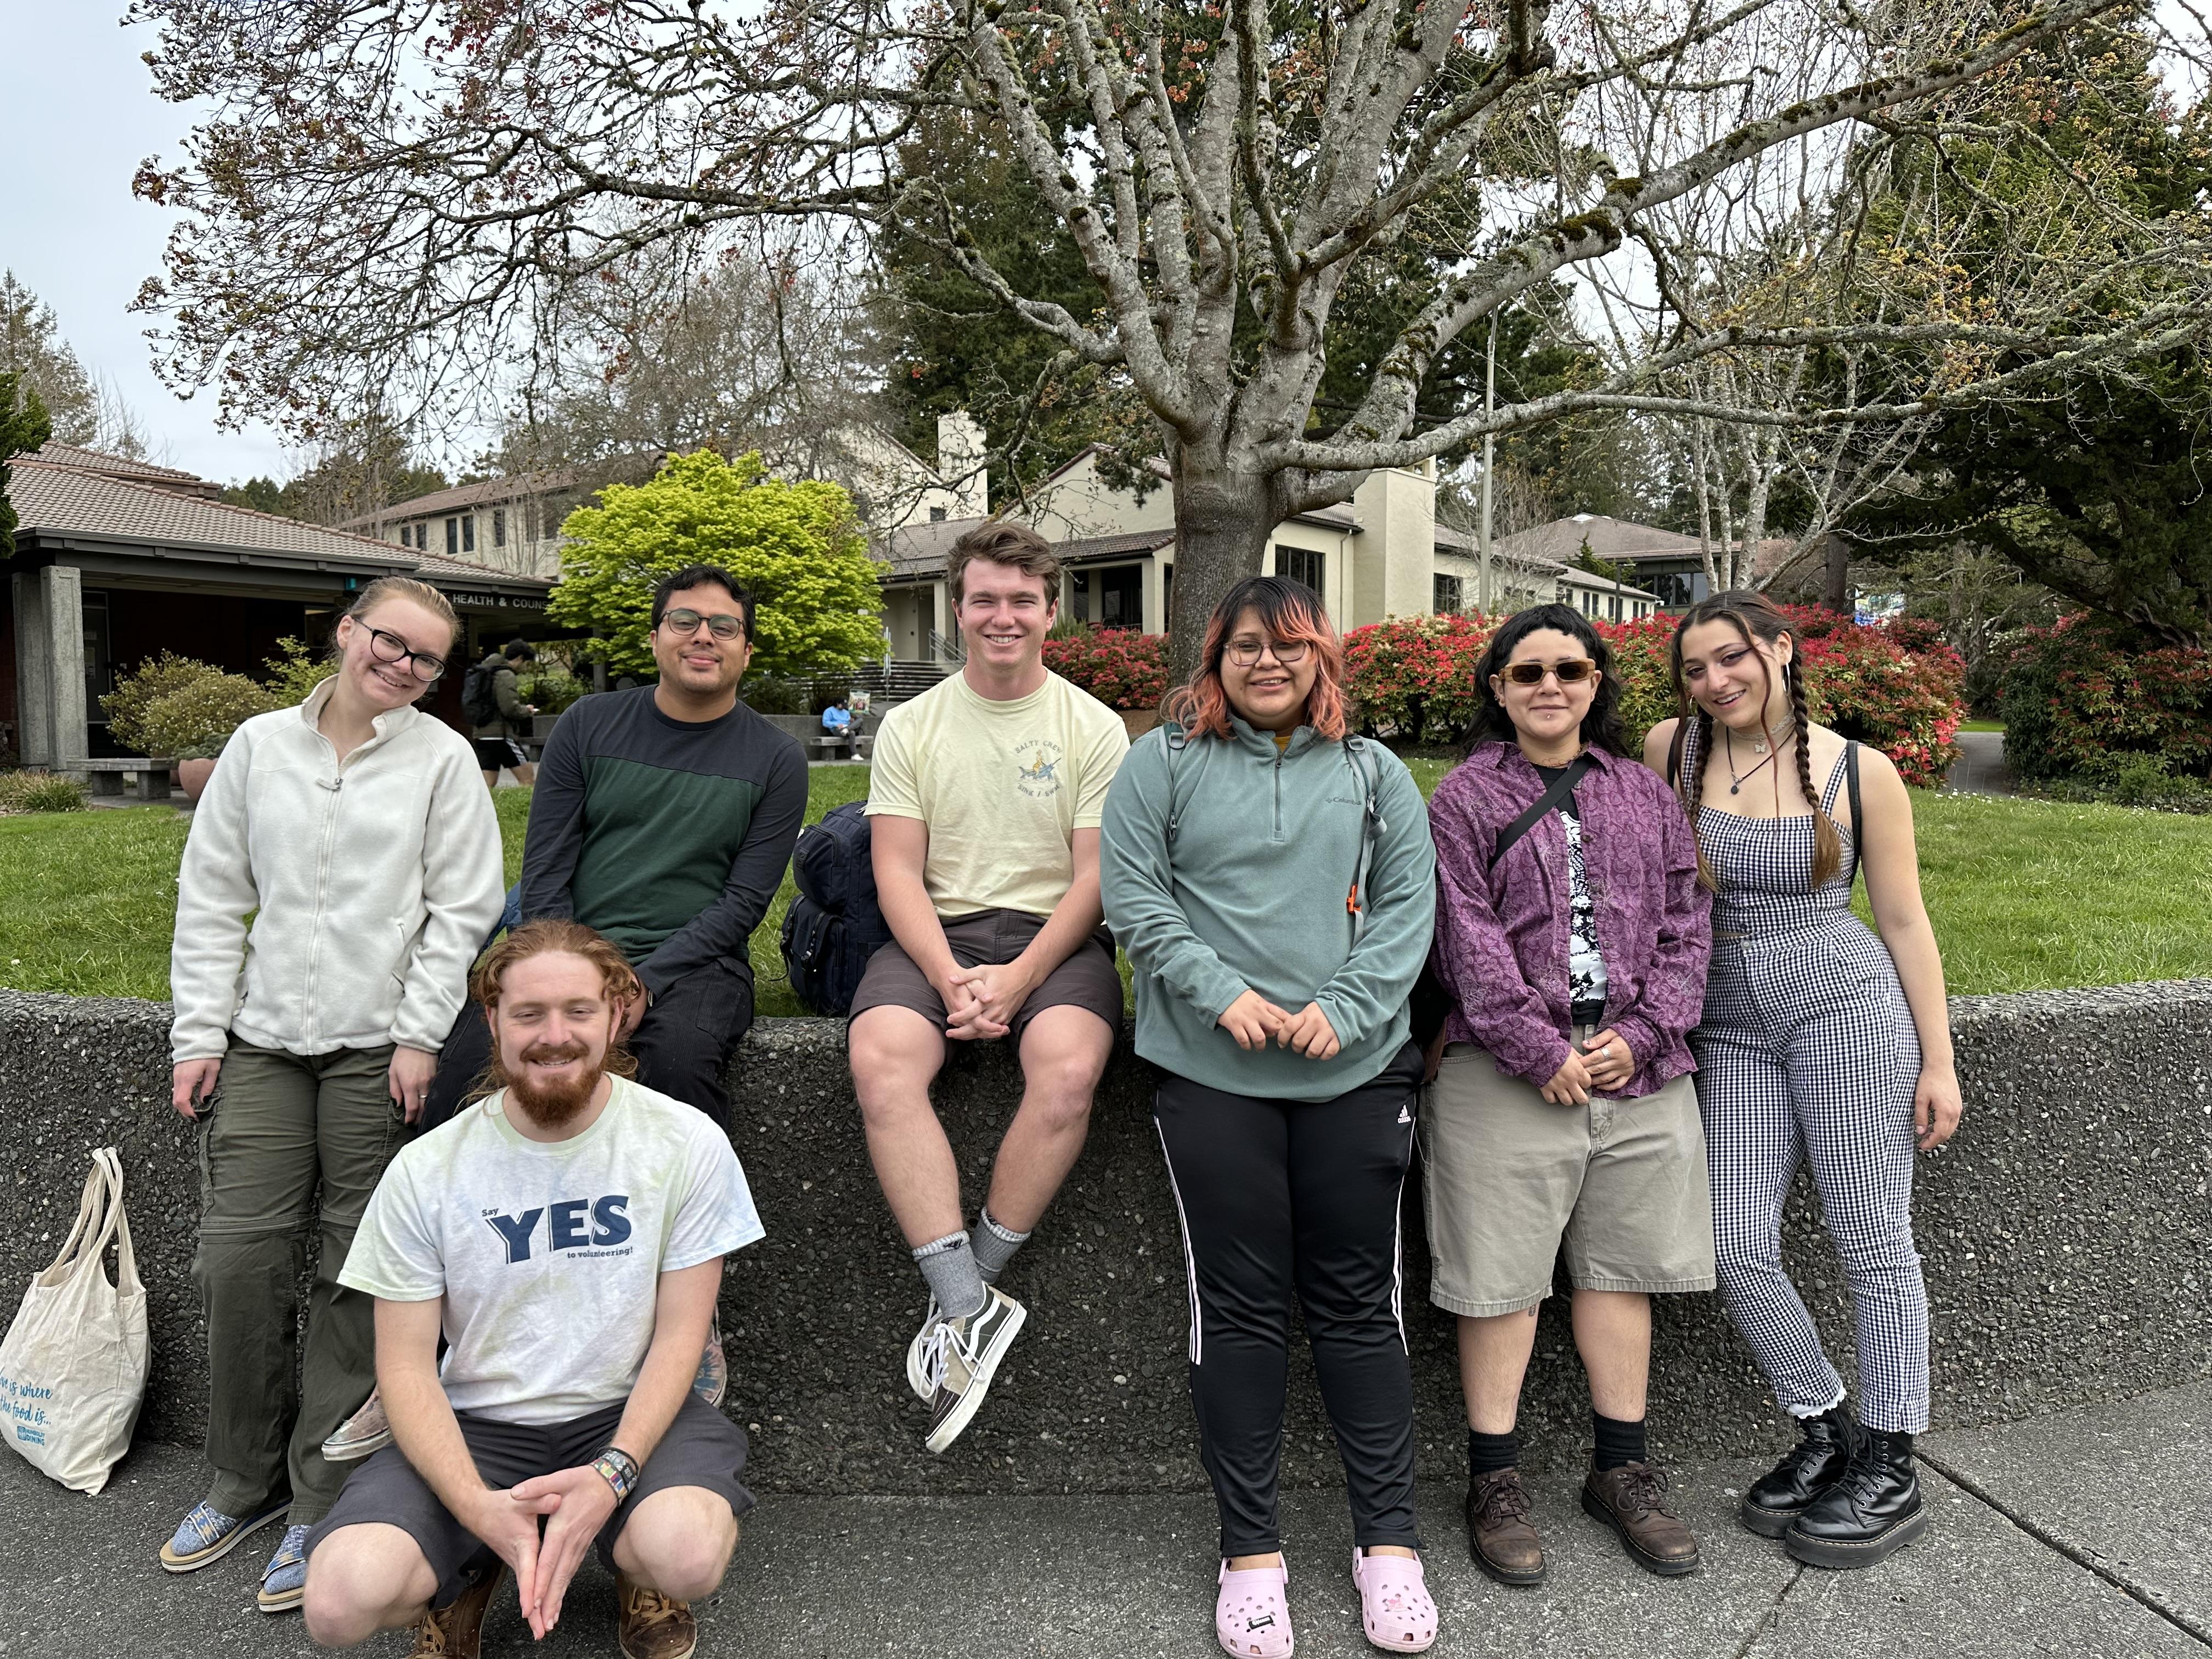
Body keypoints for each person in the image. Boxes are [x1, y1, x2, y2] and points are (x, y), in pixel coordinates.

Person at [1101, 575, 1441, 1657]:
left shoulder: (1376, 774)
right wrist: (1222, 993)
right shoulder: (1162, 765)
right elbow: (1135, 898)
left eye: (1289, 647)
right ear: (1217, 657)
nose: (1267, 664)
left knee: (1358, 1305)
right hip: (1213, 1072)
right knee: (1239, 1311)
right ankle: (1251, 1555)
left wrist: (1344, 1010)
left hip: (1356, 1072)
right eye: (1246, 645)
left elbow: (1406, 910)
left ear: (1321, 660)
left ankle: (1387, 1547)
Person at [162, 576, 504, 1615]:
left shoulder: (443, 760)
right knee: (240, 1257)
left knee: (359, 1272)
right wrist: (197, 1031)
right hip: (263, 1044)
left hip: (376, 1052)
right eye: (389, 642)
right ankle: (240, 1477)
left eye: (425, 660)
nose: (401, 666)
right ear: (347, 631)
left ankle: (323, 1491)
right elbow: (214, 892)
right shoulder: (262, 746)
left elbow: (463, 908)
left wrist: (418, 1034)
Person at [298, 921, 765, 1659]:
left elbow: (683, 1336)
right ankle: (469, 1566)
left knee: (686, 1552)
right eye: (529, 1014)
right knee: (338, 1601)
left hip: (630, 1411)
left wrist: (613, 1475)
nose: (556, 1035)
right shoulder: (427, 1171)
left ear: (616, 1014)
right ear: (493, 1021)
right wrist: (473, 1505)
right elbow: (406, 1368)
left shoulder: (686, 1143)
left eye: (578, 1011)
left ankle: (629, 1558)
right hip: (477, 1426)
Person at [1645, 590, 1962, 1570]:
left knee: (1872, 1236)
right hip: (1726, 1020)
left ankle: (1893, 1455)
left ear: (1781, 650)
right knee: (1734, 1239)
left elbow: (1903, 919)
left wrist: (1938, 1057)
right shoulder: (1670, 750)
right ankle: (1826, 1426)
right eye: (1695, 668)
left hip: (1844, 1008)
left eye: (1732, 658)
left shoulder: (1858, 771)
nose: (1715, 681)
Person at [1423, 604, 1713, 1588]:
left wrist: (1639, 1034)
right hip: (1506, 1064)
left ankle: (1620, 1465)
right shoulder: (1460, 800)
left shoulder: (1643, 793)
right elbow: (1459, 930)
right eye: (1527, 671)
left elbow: (1687, 918)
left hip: (1638, 1067)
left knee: (1619, 1270)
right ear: (1496, 688)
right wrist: (1532, 1041)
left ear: (1597, 684)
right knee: (1499, 1280)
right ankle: (1493, 1479)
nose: (1550, 685)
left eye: (1570, 670)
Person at [847, 521, 1129, 1454]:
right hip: (938, 932)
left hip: (1056, 938)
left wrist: (1016, 978)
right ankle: (969, 1304)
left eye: (1020, 599)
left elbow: (1093, 880)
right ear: (956, 609)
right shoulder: (912, 724)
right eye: (983, 598)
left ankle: (971, 1288)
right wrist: (949, 975)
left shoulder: (1090, 725)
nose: (1001, 615)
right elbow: (894, 870)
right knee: (881, 1059)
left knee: (1066, 1070)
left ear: (1051, 611)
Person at [424, 563, 808, 1135]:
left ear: (746, 653)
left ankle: (684, 1221)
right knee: (461, 1082)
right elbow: (546, 869)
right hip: (563, 946)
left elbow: (743, 903)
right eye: (685, 621)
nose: (704, 635)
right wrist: (577, 974)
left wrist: (644, 982)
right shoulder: (587, 726)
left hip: (696, 967)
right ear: (655, 639)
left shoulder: (777, 759)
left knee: (679, 1072)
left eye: (724, 627)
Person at [470, 638, 539, 788]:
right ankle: (525, 811)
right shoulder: (506, 674)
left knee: (487, 786)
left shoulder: (486, 671)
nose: (526, 668)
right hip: (501, 735)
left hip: (481, 733)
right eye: (527, 663)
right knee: (528, 780)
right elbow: (509, 708)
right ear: (520, 658)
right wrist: (527, 710)